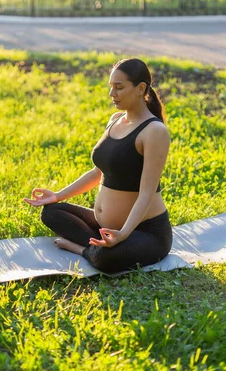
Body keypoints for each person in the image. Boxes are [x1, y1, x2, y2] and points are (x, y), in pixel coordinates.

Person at [23, 58, 173, 274]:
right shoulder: (115, 119)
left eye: (119, 88)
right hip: (105, 226)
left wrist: (123, 234)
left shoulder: (154, 131)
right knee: (51, 212)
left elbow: (147, 193)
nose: (112, 94)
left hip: (144, 231)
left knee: (107, 259)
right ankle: (95, 245)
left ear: (140, 89)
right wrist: (57, 195)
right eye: (111, 87)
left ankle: (84, 249)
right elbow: (97, 173)